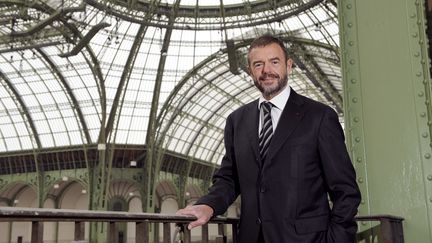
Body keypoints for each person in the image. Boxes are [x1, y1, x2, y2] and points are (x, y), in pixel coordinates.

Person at [176, 34, 361, 243]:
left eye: (274, 62)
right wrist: (208, 205)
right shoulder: (237, 121)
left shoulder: (319, 117)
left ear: (288, 66)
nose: (267, 71)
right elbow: (229, 178)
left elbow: (345, 190)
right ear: (250, 71)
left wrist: (336, 239)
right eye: (258, 64)